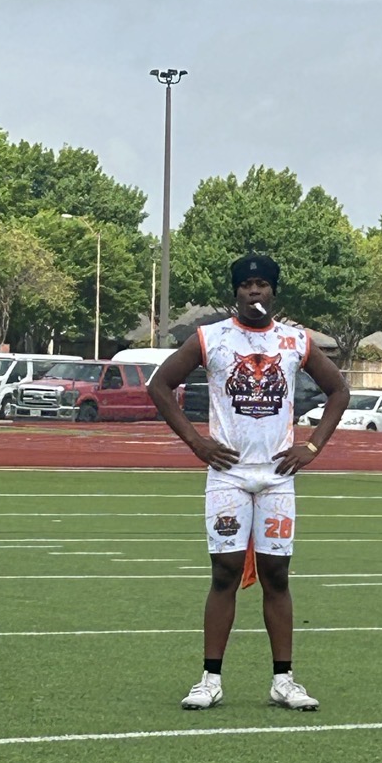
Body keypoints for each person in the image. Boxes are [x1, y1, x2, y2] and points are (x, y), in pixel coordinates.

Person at [148, 252, 349, 711]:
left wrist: (312, 447)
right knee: (225, 572)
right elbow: (160, 386)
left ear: (274, 291)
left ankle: (284, 680)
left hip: (278, 475)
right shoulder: (211, 337)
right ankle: (209, 679)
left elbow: (338, 390)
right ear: (235, 291)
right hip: (228, 475)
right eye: (246, 285)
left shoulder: (295, 341)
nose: (254, 291)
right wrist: (197, 444)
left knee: (277, 574)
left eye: (262, 284)